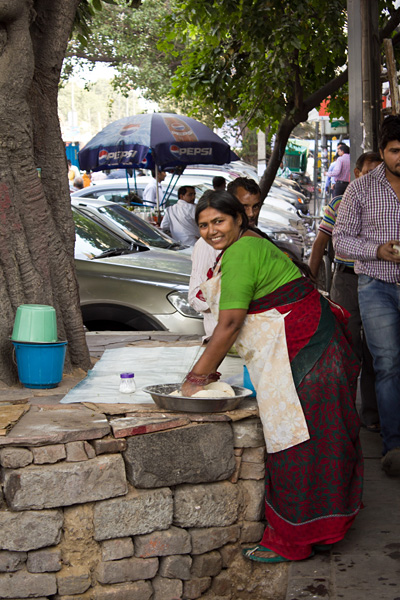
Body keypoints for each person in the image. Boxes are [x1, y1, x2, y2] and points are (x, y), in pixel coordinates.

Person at [182, 190, 363, 563]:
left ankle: (293, 541)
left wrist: (195, 380)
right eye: (203, 225)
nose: (211, 231)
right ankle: (327, 531)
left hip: (306, 356)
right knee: (326, 444)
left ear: (239, 220)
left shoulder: (243, 252)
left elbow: (230, 323)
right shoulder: (250, 243)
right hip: (319, 350)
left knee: (293, 447)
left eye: (219, 221)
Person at [333, 115, 400, 476]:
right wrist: (378, 250)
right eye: (394, 151)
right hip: (376, 285)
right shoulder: (360, 189)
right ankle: (394, 445)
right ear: (383, 151)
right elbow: (340, 239)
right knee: (387, 365)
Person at [309, 152, 382, 433]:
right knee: (346, 346)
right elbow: (320, 243)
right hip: (347, 281)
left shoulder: (389, 201)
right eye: (367, 173)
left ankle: (373, 414)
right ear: (356, 173)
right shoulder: (340, 203)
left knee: (378, 351)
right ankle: (344, 411)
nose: (372, 179)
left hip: (378, 280)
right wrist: (311, 280)